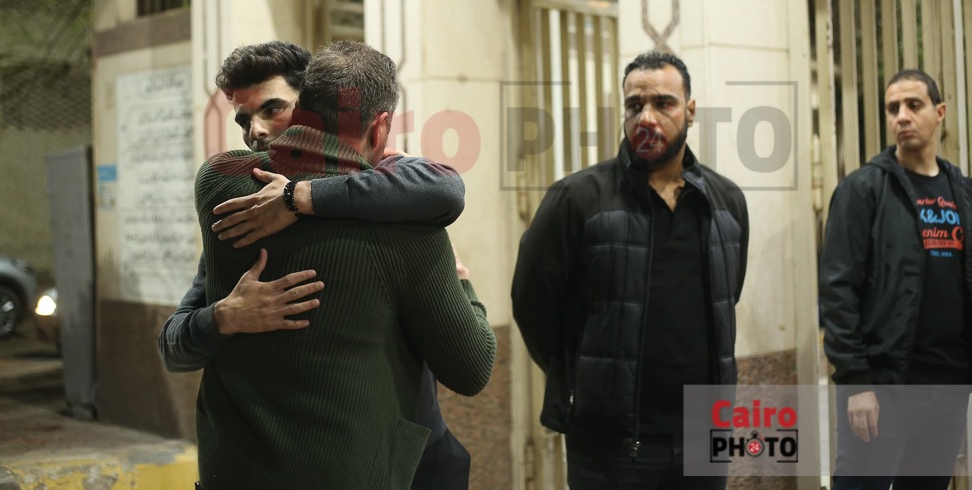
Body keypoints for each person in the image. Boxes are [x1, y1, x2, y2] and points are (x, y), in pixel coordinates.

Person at [157, 40, 474, 488]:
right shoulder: (243, 211)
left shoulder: (393, 191)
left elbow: (444, 188)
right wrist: (224, 316)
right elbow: (173, 345)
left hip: (406, 447)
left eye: (273, 109)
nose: (257, 131)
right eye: (243, 119)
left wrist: (299, 196)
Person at [511, 50, 748, 489]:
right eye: (635, 105)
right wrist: (584, 377)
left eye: (663, 103)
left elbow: (728, 297)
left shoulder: (726, 203)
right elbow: (532, 303)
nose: (647, 118)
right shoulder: (577, 199)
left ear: (690, 111)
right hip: (609, 446)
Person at [820, 69, 972, 488]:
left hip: (949, 390)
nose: (901, 116)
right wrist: (856, 384)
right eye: (893, 108)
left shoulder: (963, 191)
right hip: (884, 391)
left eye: (913, 105)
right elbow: (838, 291)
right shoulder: (863, 189)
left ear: (940, 113)